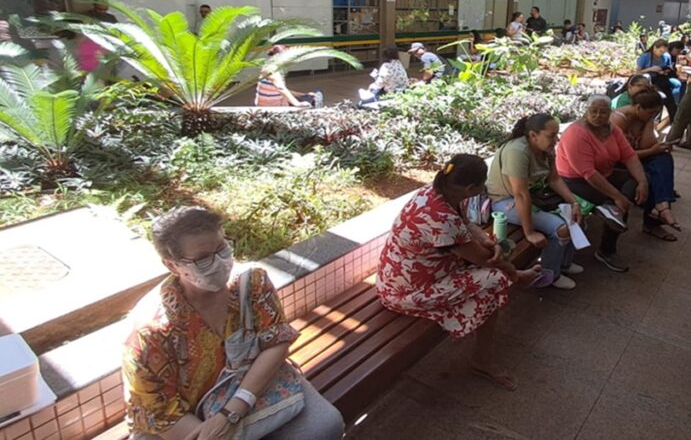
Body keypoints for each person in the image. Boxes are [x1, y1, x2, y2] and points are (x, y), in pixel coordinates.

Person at [123, 206, 345, 440]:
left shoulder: (251, 284)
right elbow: (157, 410)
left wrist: (233, 411)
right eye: (202, 259)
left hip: (249, 389)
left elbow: (276, 342)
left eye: (222, 249)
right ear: (172, 265)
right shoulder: (151, 329)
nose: (219, 263)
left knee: (325, 426)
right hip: (181, 420)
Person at [377, 155, 538, 391]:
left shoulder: (437, 193)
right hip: (407, 291)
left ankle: (481, 356)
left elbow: (466, 225)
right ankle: (481, 361)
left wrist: (486, 239)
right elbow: (484, 260)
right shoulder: (441, 219)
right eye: (482, 184)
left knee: (490, 274)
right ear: (471, 188)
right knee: (495, 280)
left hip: (403, 275)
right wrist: (515, 273)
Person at [487, 114, 583, 290]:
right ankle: (550, 275)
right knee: (561, 228)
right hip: (504, 201)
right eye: (551, 135)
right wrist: (529, 232)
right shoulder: (517, 152)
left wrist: (574, 203)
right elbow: (520, 194)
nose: (556, 139)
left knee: (575, 214)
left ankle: (564, 264)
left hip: (532, 195)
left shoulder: (546, 149)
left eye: (557, 134)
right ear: (533, 135)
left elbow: (554, 180)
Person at [556, 95, 649, 273]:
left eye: (603, 112)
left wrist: (642, 182)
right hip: (574, 180)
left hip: (604, 174)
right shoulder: (577, 133)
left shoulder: (612, 129)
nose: (598, 115)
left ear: (610, 113)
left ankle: (612, 211)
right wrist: (618, 197)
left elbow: (629, 156)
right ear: (586, 112)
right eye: (594, 111)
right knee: (617, 199)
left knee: (634, 181)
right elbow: (589, 174)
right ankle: (607, 250)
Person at [611, 89, 680, 240]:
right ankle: (659, 211)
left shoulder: (643, 118)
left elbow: (647, 144)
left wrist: (648, 124)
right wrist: (651, 151)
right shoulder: (619, 120)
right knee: (650, 175)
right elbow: (622, 156)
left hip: (636, 157)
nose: (653, 116)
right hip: (618, 162)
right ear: (637, 107)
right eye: (650, 113)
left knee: (663, 159)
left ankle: (661, 205)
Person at [636, 38, 681, 119]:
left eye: (664, 52)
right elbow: (637, 72)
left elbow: (669, 68)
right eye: (660, 51)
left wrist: (665, 71)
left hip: (662, 79)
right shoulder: (645, 56)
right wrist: (651, 69)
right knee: (660, 97)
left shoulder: (666, 56)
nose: (662, 54)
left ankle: (674, 117)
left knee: (672, 96)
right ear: (655, 48)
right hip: (650, 80)